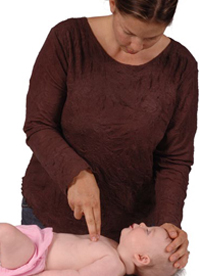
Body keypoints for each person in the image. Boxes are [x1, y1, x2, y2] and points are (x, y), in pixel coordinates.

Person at [21, 0, 198, 271]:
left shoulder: (181, 67)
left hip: (131, 240)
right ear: (113, 4)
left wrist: (168, 225)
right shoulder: (68, 39)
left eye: (152, 37)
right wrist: (76, 174)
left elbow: (174, 159)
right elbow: (38, 124)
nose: (136, 46)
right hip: (49, 222)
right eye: (128, 31)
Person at [0, 222, 179, 276]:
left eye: (147, 231)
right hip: (36, 243)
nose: (142, 223)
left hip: (34, 261)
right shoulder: (113, 246)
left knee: (4, 233)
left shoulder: (113, 266)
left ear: (141, 257)